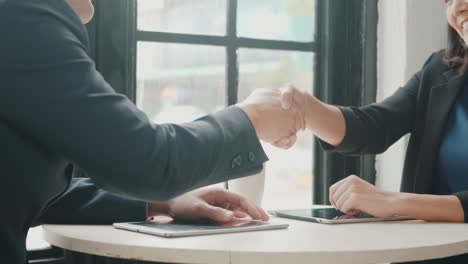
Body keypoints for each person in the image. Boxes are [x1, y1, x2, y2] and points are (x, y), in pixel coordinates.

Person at [0, 0, 305, 263]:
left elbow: (21, 189)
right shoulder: (22, 15)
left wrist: (160, 203)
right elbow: (145, 160)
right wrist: (253, 118)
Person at [280, 0, 468, 262]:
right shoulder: (439, 70)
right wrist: (307, 110)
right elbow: (374, 125)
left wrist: (393, 202)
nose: (458, 6)